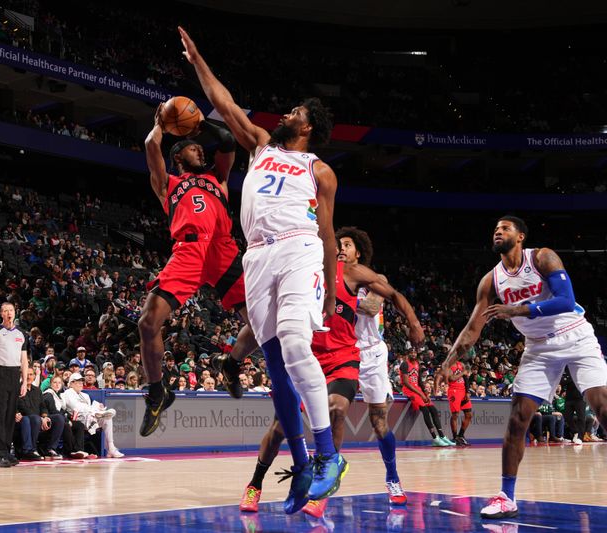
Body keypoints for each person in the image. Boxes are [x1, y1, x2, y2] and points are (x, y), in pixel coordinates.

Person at [180, 27, 343, 512]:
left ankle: (329, 457)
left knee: (295, 342)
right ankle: (300, 470)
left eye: (296, 112)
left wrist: (331, 290)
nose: (287, 114)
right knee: (276, 365)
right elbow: (222, 101)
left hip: (298, 250)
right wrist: (196, 60)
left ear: (308, 127)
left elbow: (329, 236)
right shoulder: (260, 145)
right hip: (256, 256)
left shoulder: (318, 169)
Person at [239, 228, 423, 517]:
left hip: (363, 353)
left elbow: (375, 304)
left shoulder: (360, 275)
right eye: (336, 244)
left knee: (367, 417)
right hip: (316, 352)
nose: (339, 248)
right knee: (279, 429)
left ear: (358, 252)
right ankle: (255, 483)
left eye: (346, 245)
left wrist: (342, 300)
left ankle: (388, 478)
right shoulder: (307, 270)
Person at [440, 216, 607, 519]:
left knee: (602, 406)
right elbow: (472, 329)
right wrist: (447, 362)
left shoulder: (542, 257)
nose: (497, 232)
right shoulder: (491, 280)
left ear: (520, 237)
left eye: (504, 228)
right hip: (538, 347)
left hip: (575, 335)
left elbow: (566, 301)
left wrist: (519, 309)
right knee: (518, 419)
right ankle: (507, 496)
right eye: (495, 229)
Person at [139, 93, 258, 438]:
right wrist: (162, 123)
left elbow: (225, 139)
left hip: (223, 251)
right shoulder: (168, 185)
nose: (200, 151)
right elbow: (151, 145)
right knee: (148, 323)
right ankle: (158, 391)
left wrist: (199, 120)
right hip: (188, 250)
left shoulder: (217, 179)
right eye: (192, 148)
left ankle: (231, 364)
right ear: (178, 156)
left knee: (261, 324)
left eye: (199, 149)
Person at [0, 302, 29, 468]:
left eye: (11, 310)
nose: (8, 313)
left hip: (15, 376)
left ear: (15, 312)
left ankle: (7, 452)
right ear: (1, 314)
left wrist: (24, 382)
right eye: (5, 311)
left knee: (11, 416)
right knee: (0, 415)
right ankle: (0, 454)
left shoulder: (21, 333)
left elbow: (24, 360)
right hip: (0, 374)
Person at [62, 372, 123, 458]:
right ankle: (98, 413)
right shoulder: (67, 393)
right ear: (71, 383)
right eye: (78, 382)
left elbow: (88, 407)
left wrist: (98, 407)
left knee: (108, 419)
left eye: (81, 382)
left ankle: (111, 448)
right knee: (93, 413)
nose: (81, 384)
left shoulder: (85, 395)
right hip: (77, 419)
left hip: (89, 417)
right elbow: (76, 407)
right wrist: (93, 410)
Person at [400, 349, 452, 446]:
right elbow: (406, 383)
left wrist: (424, 391)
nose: (413, 354)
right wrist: (421, 394)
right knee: (426, 411)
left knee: (434, 410)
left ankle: (442, 436)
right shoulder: (404, 364)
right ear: (407, 354)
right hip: (409, 391)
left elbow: (419, 380)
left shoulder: (417, 364)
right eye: (411, 352)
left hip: (418, 390)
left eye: (415, 353)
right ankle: (435, 438)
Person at [436, 360, 473, 446]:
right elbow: (451, 378)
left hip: (463, 390)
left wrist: (467, 392)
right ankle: (455, 437)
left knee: (469, 414)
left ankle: (461, 436)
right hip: (454, 391)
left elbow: (466, 378)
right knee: (455, 414)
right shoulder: (447, 365)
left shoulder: (461, 364)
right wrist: (462, 373)